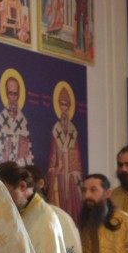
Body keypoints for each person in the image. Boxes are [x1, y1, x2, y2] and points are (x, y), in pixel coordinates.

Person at [46, 83, 83, 222]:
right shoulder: (55, 130)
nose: (64, 108)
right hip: (60, 179)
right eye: (62, 104)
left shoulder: (74, 131)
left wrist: (75, 172)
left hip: (72, 181)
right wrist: (57, 169)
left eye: (66, 105)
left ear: (70, 106)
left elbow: (78, 162)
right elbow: (51, 161)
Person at [0, 75, 34, 166]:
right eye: (10, 94)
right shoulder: (2, 119)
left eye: (15, 94)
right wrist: (5, 155)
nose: (13, 98)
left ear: (19, 95)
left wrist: (21, 162)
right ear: (6, 94)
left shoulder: (23, 122)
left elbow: (29, 155)